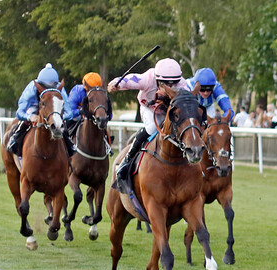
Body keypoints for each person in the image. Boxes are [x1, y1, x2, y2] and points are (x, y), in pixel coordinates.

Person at [108, 58, 189, 191]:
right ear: (157, 79)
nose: (169, 87)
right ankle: (127, 160)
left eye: (173, 84)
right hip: (148, 108)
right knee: (152, 128)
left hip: (166, 111)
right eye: (165, 84)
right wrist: (115, 84)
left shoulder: (183, 85)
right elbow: (129, 79)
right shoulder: (147, 78)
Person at [7, 63, 77, 157]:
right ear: (39, 84)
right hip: (34, 106)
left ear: (56, 85)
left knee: (61, 124)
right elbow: (19, 112)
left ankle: (70, 146)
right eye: (44, 87)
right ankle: (15, 140)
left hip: (51, 109)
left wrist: (57, 117)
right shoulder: (32, 87)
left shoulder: (60, 88)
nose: (48, 90)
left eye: (52, 88)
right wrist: (30, 117)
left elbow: (69, 113)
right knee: (25, 122)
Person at [66, 72, 110, 138]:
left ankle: (108, 144)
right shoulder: (77, 91)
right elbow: (70, 112)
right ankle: (67, 142)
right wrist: (81, 111)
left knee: (105, 130)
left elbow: (108, 112)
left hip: (94, 119)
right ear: (85, 87)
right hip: (76, 118)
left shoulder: (101, 94)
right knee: (65, 131)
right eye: (90, 89)